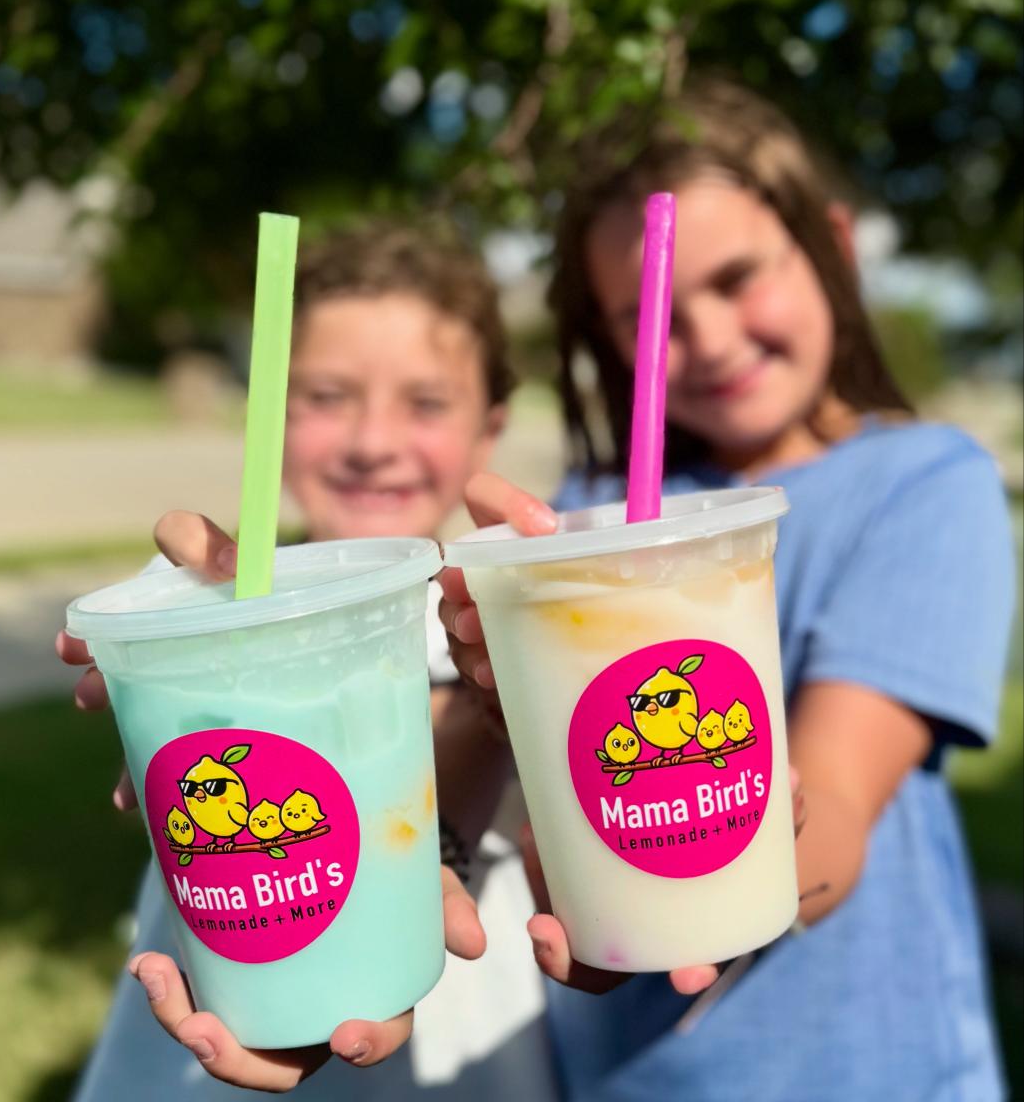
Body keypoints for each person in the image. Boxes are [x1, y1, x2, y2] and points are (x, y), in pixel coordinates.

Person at [439, 77, 1016, 1101]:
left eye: (739, 277)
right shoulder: (586, 514)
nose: (706, 339)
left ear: (831, 246)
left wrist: (741, 865)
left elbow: (837, 802)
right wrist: (497, 696)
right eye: (652, 315)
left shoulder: (923, 485)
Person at [56, 223, 559, 1098]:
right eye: (326, 396)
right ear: (270, 415)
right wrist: (167, 649)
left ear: (489, 430)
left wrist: (497, 708)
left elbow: (459, 719)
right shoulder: (205, 616)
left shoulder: (496, 630)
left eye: (426, 403)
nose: (372, 441)